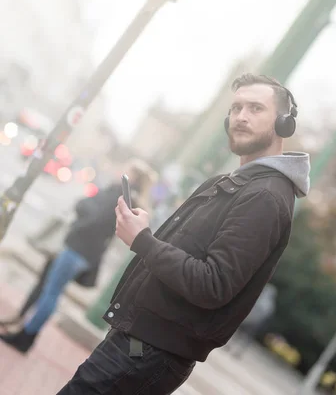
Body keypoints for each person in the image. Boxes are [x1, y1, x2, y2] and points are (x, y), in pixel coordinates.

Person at [57, 74, 310, 395]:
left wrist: (143, 241)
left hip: (148, 351)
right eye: (236, 108)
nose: (241, 116)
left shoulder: (264, 197)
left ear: (284, 123)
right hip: (140, 342)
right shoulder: (239, 184)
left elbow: (213, 283)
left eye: (256, 108)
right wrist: (147, 231)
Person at [0, 159, 156, 353]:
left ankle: (26, 336)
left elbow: (96, 218)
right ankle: (24, 331)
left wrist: (80, 214)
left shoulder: (119, 195)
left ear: (132, 176)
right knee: (51, 290)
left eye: (127, 170)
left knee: (51, 293)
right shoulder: (130, 199)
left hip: (78, 248)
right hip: (86, 253)